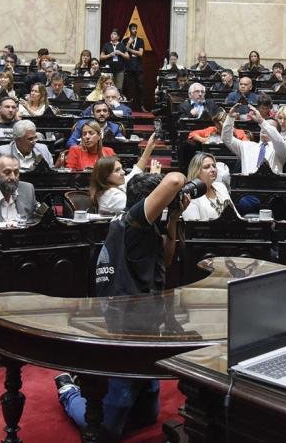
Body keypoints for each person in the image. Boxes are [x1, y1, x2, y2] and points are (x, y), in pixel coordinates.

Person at [57, 171, 189, 437]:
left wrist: (174, 218)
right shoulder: (134, 222)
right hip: (126, 332)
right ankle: (68, 390)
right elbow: (175, 180)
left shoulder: (143, 227)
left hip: (146, 328)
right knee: (105, 430)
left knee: (148, 417)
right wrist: (180, 189)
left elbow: (165, 258)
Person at [88, 134, 160, 214]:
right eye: (117, 170)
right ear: (105, 176)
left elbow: (134, 173)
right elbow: (143, 208)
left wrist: (149, 147)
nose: (123, 172)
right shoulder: (111, 196)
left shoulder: (113, 185)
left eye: (121, 168)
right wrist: (154, 179)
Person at [220, 106, 286, 174]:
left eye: (268, 127)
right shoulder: (246, 146)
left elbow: (278, 141)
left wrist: (261, 121)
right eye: (262, 127)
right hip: (246, 181)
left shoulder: (282, 149)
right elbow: (226, 138)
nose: (264, 129)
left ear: (277, 133)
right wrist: (230, 118)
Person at [181, 153, 232, 221]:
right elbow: (193, 226)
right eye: (207, 167)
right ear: (196, 171)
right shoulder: (191, 195)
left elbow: (234, 214)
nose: (213, 170)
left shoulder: (221, 186)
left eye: (214, 166)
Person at [121, 22, 145, 107]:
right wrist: (128, 44)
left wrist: (129, 49)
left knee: (140, 87)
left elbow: (140, 53)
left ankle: (141, 106)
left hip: (138, 66)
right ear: (130, 30)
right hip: (128, 66)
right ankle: (126, 105)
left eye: (136, 29)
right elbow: (123, 52)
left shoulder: (140, 40)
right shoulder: (125, 40)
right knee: (127, 86)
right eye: (133, 29)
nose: (135, 30)